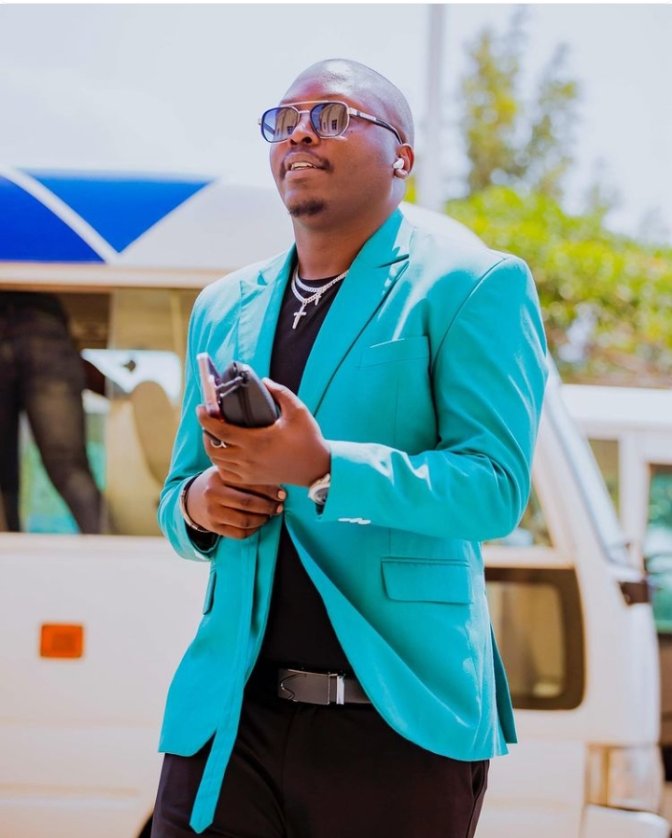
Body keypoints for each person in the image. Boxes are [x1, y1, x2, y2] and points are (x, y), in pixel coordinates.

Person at [151, 58, 547, 838]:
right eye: (284, 120)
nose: (300, 132)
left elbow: (495, 488)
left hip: (395, 726)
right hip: (228, 719)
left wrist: (324, 469)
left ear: (402, 157)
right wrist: (200, 506)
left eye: (332, 116)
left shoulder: (472, 284)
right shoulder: (222, 305)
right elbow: (176, 494)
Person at [0, 291, 101, 533]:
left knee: (5, 478)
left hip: (43, 319)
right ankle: (110, 551)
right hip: (43, 319)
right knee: (70, 469)